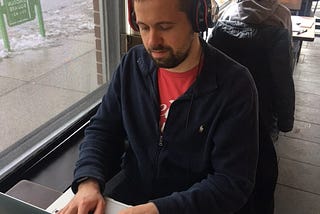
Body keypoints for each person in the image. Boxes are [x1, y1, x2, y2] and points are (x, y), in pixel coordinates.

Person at [58, 0, 259, 213]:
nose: (152, 42)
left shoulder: (235, 86)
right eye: (144, 27)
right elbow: (103, 129)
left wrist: (158, 210)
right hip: (131, 201)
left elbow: (231, 183)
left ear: (197, 20)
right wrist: (88, 181)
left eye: (165, 27)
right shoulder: (132, 65)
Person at [208, 1, 295, 213]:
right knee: (260, 161)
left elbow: (209, 66)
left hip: (226, 106)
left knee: (226, 160)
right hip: (263, 107)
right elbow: (283, 77)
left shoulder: (226, 15)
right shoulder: (282, 16)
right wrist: (286, 120)